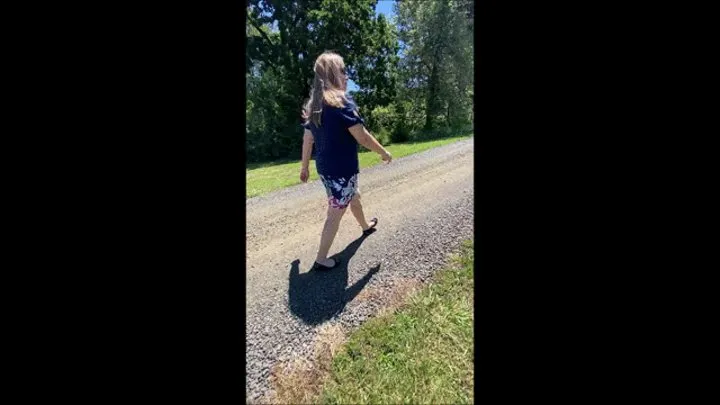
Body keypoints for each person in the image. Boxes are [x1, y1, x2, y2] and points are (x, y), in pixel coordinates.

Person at [299, 51, 392, 270]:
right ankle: (321, 258)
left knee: (354, 195)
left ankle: (365, 226)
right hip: (341, 170)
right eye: (343, 70)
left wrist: (304, 168)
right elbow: (362, 136)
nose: (347, 75)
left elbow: (307, 139)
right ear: (333, 75)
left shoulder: (316, 107)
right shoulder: (342, 102)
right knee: (335, 213)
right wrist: (383, 152)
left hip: (327, 170)